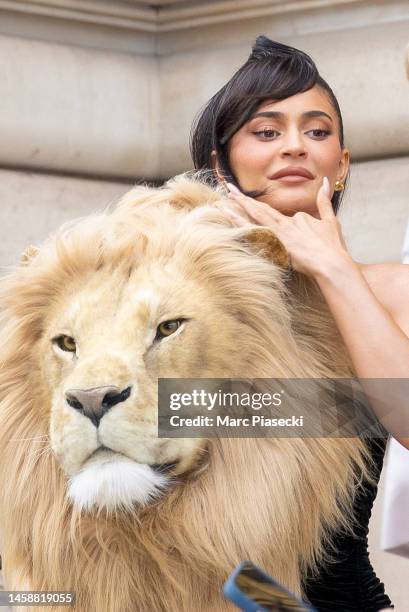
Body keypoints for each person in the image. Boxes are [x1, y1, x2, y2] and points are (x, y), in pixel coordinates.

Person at [190, 36, 409, 611]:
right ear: (221, 163)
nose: (294, 146)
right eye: (266, 132)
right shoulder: (167, 298)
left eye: (317, 132)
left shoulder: (390, 291)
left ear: (341, 165)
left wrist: (335, 269)